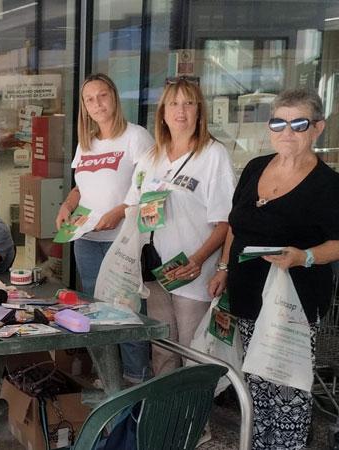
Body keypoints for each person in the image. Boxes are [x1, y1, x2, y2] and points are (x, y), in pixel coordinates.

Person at [209, 88, 339, 449]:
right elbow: (236, 224)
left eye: (299, 123)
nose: (287, 132)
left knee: (286, 392)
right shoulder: (254, 167)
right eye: (278, 122)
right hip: (249, 298)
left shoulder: (328, 186)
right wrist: (222, 267)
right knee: (258, 386)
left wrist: (305, 256)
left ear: (318, 128)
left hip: (292, 305)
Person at [125, 76, 235, 377]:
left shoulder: (214, 155)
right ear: (162, 112)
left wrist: (200, 261)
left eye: (189, 103)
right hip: (156, 272)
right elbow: (133, 209)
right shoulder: (151, 158)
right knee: (162, 349)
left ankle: (198, 422)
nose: (181, 111)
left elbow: (226, 221)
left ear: (199, 112)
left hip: (193, 272)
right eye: (173, 103)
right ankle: (168, 419)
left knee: (194, 351)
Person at [54, 73, 155, 384]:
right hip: (86, 240)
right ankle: (109, 377)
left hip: (121, 240)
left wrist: (120, 211)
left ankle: (136, 378)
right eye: (89, 99)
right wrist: (66, 206)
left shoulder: (136, 137)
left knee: (126, 313)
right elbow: (80, 188)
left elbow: (149, 187)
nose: (96, 104)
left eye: (102, 96)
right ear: (84, 106)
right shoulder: (87, 143)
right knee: (97, 314)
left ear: (114, 97)